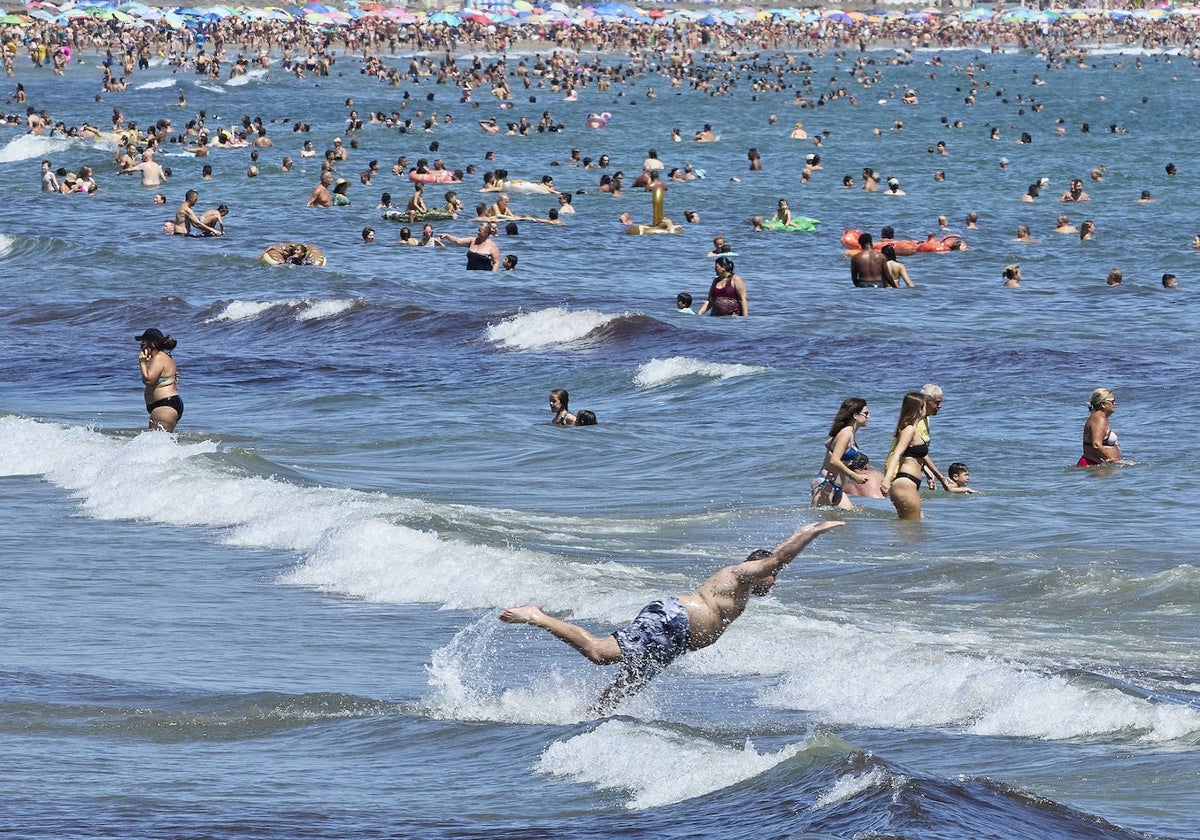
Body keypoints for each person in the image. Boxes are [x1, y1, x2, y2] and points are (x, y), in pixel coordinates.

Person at [498, 521, 844, 715]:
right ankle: (537, 616)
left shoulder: (742, 592)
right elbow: (779, 557)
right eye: (772, 575)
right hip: (673, 621)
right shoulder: (741, 573)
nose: (775, 580)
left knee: (627, 687)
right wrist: (808, 534)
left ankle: (584, 717)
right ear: (759, 568)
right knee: (600, 654)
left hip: (675, 640)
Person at [812, 398, 874, 509]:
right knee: (820, 524)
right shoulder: (845, 433)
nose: (868, 417)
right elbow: (834, 460)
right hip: (826, 484)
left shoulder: (849, 433)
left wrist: (842, 458)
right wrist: (854, 476)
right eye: (866, 413)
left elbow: (828, 444)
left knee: (850, 521)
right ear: (855, 415)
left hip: (837, 486)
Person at [880, 392, 929, 521]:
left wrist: (928, 472)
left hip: (910, 483)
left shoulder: (913, 429)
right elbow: (897, 454)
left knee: (911, 530)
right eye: (924, 406)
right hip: (905, 483)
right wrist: (887, 479)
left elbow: (916, 458)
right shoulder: (909, 430)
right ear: (919, 409)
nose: (926, 409)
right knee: (911, 529)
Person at [136, 327, 182, 432]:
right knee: (161, 444)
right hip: (166, 405)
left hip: (165, 406)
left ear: (151, 344)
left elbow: (148, 380)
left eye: (142, 344)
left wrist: (142, 363)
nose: (140, 348)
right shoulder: (163, 358)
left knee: (153, 444)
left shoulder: (159, 358)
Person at [1079, 388, 1121, 466]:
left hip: (1096, 465)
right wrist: (1112, 460)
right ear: (1103, 404)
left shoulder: (1098, 417)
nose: (1115, 403)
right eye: (1112, 401)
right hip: (1093, 464)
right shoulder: (1099, 418)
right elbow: (1097, 445)